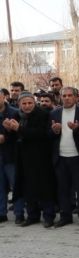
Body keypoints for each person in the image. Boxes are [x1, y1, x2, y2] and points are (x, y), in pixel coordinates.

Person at [7, 92, 55, 228]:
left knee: (44, 187)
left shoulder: (43, 114)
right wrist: (9, 129)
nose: (27, 106)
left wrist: (19, 129)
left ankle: (48, 216)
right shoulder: (17, 115)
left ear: (35, 103)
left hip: (40, 157)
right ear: (19, 105)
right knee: (28, 188)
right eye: (24, 104)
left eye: (30, 103)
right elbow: (15, 136)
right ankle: (32, 215)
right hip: (23, 157)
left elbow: (41, 134)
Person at [50, 87, 79, 228]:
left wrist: (77, 129)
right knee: (63, 189)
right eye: (64, 96)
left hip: (78, 157)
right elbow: (48, 135)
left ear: (75, 98)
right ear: (61, 97)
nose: (66, 98)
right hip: (61, 157)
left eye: (69, 95)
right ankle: (65, 216)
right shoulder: (54, 113)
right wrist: (54, 131)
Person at [0, 91, 22, 224]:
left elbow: (20, 133)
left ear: (3, 97)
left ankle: (19, 213)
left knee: (16, 185)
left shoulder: (14, 112)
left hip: (11, 155)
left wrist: (7, 135)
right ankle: (1, 212)